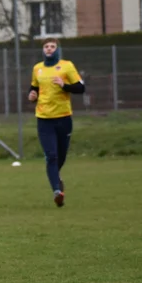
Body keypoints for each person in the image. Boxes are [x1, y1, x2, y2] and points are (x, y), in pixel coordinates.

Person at [28, 38, 84, 207]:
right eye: (46, 46)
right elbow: (33, 88)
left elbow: (81, 88)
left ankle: (56, 179)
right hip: (44, 119)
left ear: (57, 49)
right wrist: (31, 96)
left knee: (61, 155)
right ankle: (57, 191)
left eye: (52, 46)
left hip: (64, 118)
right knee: (51, 156)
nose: (49, 49)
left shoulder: (67, 66)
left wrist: (64, 85)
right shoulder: (37, 68)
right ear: (43, 50)